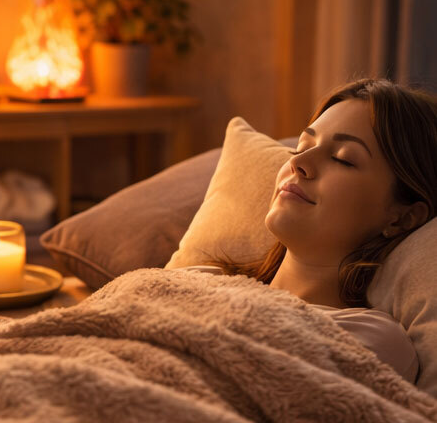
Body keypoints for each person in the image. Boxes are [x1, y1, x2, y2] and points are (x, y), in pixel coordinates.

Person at [184, 78, 437, 384]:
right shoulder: (195, 282)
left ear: (402, 218)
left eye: (342, 159)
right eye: (302, 147)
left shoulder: (369, 342)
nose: (299, 163)